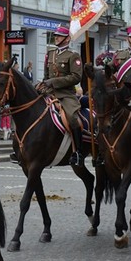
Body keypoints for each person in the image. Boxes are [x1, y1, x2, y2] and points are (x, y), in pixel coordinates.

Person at [37, 24, 84, 165]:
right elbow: (46, 75)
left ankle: (78, 153)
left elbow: (76, 77)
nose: (56, 37)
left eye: (59, 35)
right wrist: (43, 84)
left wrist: (54, 82)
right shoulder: (49, 54)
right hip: (49, 92)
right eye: (56, 35)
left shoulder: (73, 55)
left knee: (72, 118)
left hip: (66, 94)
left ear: (67, 38)